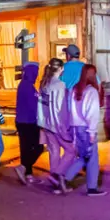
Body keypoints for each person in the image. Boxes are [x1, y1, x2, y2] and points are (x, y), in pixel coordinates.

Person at [56, 64, 106, 196]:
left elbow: (70, 110)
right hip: (86, 128)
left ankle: (65, 177)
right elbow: (92, 113)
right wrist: (92, 131)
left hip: (75, 127)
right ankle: (91, 187)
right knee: (92, 157)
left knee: (85, 156)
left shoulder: (75, 89)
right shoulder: (92, 92)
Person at [37, 58, 74, 189]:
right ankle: (57, 175)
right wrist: (65, 126)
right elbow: (61, 108)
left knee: (54, 152)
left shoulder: (44, 84)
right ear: (61, 69)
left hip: (46, 124)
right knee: (71, 151)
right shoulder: (60, 85)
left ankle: (55, 183)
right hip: (57, 124)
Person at [14, 62, 43, 185]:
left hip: (23, 121)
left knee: (26, 148)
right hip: (29, 122)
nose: (36, 75)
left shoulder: (26, 85)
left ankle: (28, 173)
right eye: (35, 72)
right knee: (38, 147)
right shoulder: (27, 86)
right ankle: (24, 167)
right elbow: (33, 106)